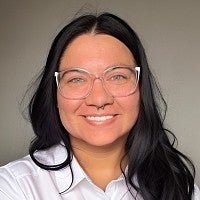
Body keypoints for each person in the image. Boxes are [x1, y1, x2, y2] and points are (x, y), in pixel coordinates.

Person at [0, 12, 199, 200]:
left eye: (117, 76)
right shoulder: (13, 187)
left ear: (141, 88)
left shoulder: (179, 187)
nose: (99, 99)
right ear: (54, 94)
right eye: (77, 79)